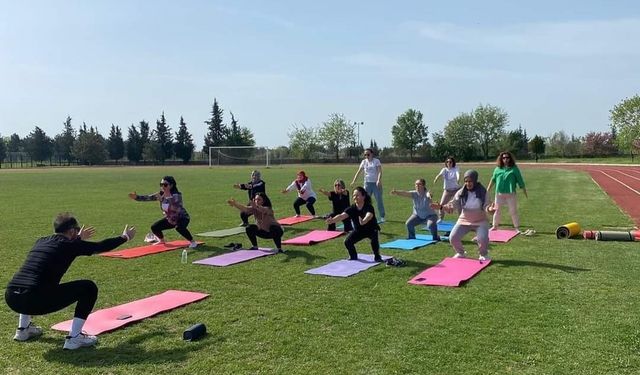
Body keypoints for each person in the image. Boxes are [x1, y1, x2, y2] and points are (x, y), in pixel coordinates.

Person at [5, 213, 136, 350]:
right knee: (88, 287)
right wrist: (124, 237)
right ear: (72, 231)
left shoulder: (41, 241)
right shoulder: (70, 245)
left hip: (12, 297)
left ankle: (23, 330)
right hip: (35, 300)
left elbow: (63, 246)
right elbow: (100, 246)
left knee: (34, 280)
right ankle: (74, 338)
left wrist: (78, 239)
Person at [432, 170, 496, 261]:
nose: (468, 183)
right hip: (464, 220)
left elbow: (487, 206)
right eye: (466, 181)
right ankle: (461, 253)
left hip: (481, 221)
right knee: (453, 237)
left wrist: (490, 209)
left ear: (474, 180)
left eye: (470, 181)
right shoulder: (461, 192)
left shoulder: (483, 192)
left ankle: (483, 254)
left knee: (482, 238)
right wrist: (441, 207)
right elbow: (452, 206)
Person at [128, 175, 197, 248]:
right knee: (154, 227)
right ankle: (162, 240)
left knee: (179, 228)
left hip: (182, 218)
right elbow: (148, 197)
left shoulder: (176, 195)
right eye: (161, 184)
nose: (163, 186)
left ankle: (193, 242)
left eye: (165, 185)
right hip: (170, 219)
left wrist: (162, 200)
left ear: (171, 185)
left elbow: (174, 207)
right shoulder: (161, 194)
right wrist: (136, 197)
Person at [326, 187, 382, 262]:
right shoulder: (352, 208)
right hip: (359, 230)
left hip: (371, 229)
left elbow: (369, 215)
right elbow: (342, 216)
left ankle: (377, 256)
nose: (355, 197)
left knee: (374, 241)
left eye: (357, 195)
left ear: (363, 196)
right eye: (354, 195)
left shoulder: (368, 206)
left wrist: (364, 221)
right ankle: (353, 256)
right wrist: (332, 220)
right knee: (347, 242)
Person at [486, 151, 528, 233]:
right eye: (504, 158)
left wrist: (524, 190)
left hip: (511, 194)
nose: (505, 159)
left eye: (507, 157)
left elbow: (520, 180)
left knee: (513, 211)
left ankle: (516, 227)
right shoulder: (497, 169)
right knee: (497, 211)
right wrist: (488, 189)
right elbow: (493, 179)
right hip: (499, 194)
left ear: (510, 158)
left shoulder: (514, 169)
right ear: (501, 159)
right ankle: (494, 226)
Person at [351, 148, 385, 222]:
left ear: (372, 154)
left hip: (376, 184)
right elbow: (359, 172)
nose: (366, 156)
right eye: (365, 154)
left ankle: (382, 216)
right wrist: (354, 181)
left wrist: (378, 180)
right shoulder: (363, 162)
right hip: (367, 183)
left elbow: (379, 172)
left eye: (368, 154)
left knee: (379, 200)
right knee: (364, 200)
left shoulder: (376, 161)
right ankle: (365, 215)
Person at [433, 156, 460, 222]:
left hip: (456, 190)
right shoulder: (444, 169)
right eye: (447, 162)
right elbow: (439, 174)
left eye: (450, 162)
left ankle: (461, 219)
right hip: (447, 191)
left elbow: (458, 174)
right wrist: (436, 178)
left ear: (453, 163)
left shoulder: (455, 169)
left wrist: (458, 178)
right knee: (441, 204)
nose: (449, 163)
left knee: (459, 204)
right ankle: (441, 218)